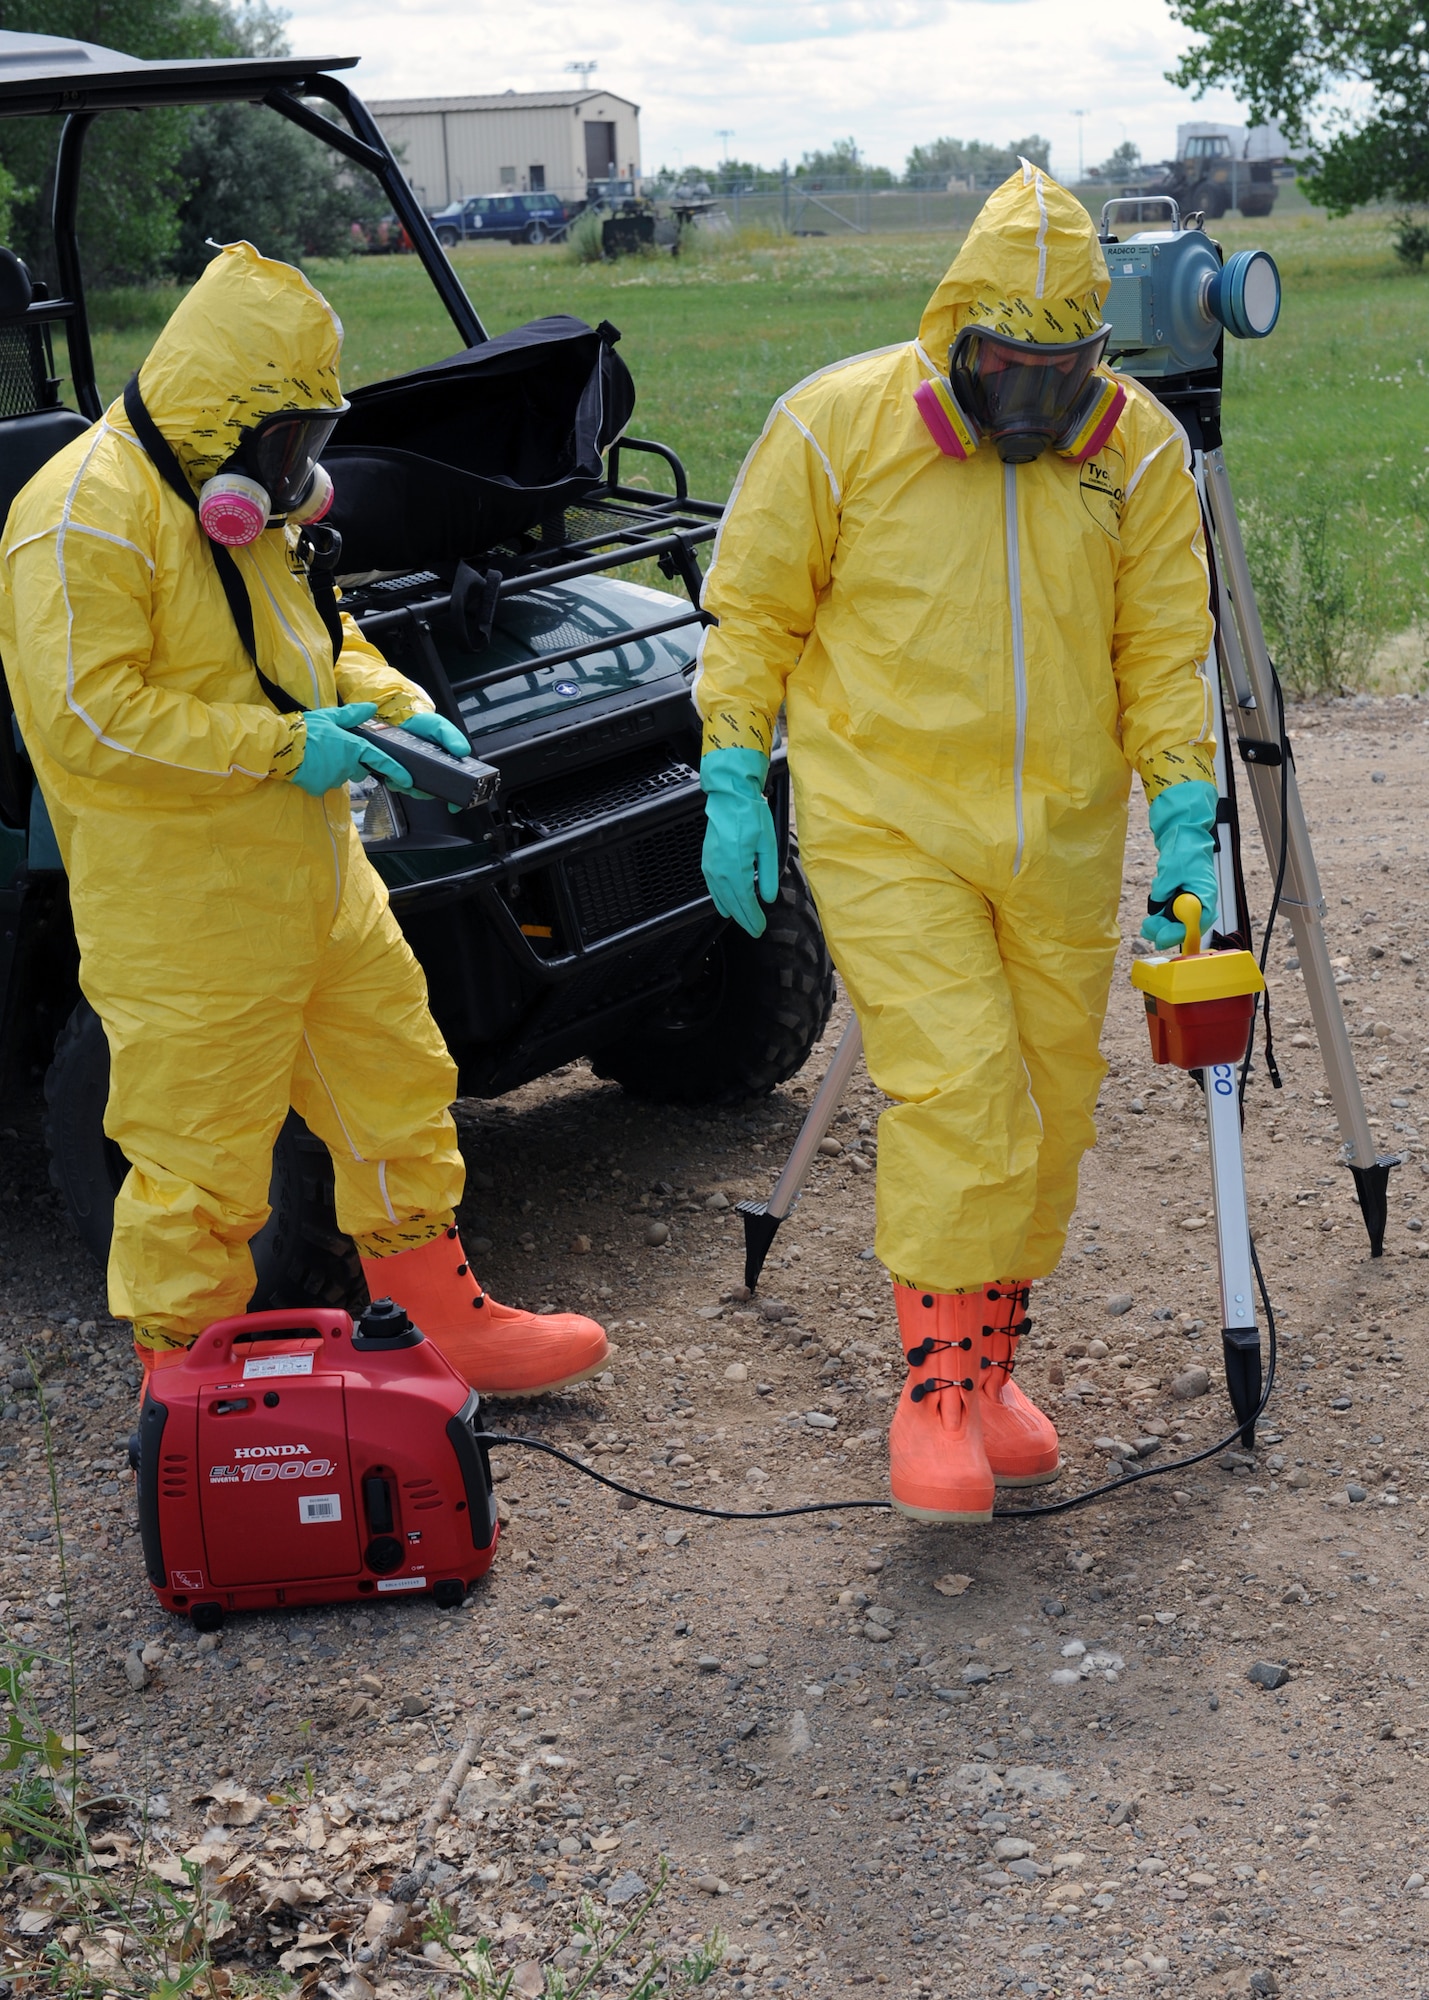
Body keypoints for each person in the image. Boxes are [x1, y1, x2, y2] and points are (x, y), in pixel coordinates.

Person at [694, 165, 1218, 1523]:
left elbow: (1163, 647)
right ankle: (929, 1391)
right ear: (954, 337)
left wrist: (1183, 813)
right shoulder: (835, 425)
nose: (1032, 400)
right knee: (961, 1089)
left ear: (1096, 355)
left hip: (1060, 834)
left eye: (1062, 371)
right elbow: (751, 614)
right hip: (889, 822)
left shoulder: (1138, 449)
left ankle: (989, 1370)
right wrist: (733, 771)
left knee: (1049, 1104)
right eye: (1005, 368)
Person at [0, 241, 607, 1397]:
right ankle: (186, 1393)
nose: (299, 473)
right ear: (219, 413)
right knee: (197, 1158)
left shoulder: (240, 499)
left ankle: (442, 1316)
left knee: (400, 1084)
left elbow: (321, 640)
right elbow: (90, 719)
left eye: (311, 442)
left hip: (320, 877)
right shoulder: (81, 515)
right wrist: (285, 748)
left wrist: (400, 707)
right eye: (288, 443)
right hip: (188, 909)